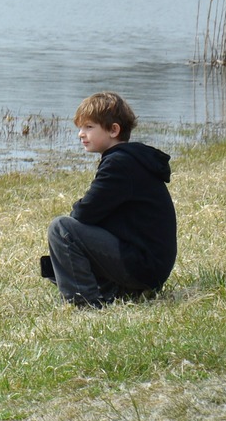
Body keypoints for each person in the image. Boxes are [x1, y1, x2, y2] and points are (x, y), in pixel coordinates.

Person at [40, 92, 176, 306]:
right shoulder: (130, 160)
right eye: (80, 127)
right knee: (66, 239)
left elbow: (84, 213)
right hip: (149, 266)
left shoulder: (120, 164)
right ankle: (119, 292)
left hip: (143, 267)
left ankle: (84, 302)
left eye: (89, 127)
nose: (80, 134)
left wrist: (78, 206)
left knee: (61, 228)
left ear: (114, 130)